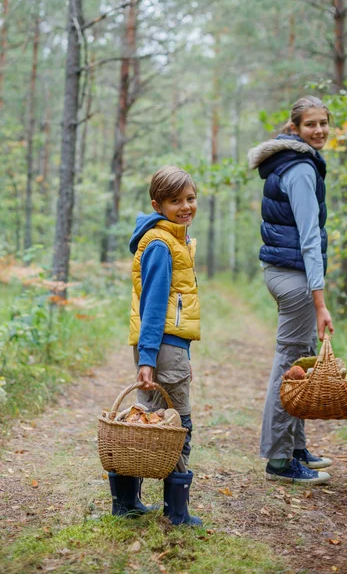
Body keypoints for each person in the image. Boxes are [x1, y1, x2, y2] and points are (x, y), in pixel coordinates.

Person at [247, 95, 335, 484]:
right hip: (296, 278)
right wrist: (320, 301)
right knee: (289, 368)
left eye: (323, 123)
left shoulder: (294, 163)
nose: (318, 130)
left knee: (300, 364)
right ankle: (280, 460)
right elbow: (309, 239)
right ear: (295, 128)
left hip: (283, 271)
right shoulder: (300, 170)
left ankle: (296, 447)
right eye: (310, 124)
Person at [108, 165, 202, 525]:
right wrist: (151, 358)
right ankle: (177, 513)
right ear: (157, 204)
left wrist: (181, 354)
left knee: (143, 422)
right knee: (177, 424)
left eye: (190, 198)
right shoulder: (162, 244)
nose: (185, 206)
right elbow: (154, 306)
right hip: (160, 346)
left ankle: (126, 503)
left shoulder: (169, 240)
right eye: (175, 200)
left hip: (165, 347)